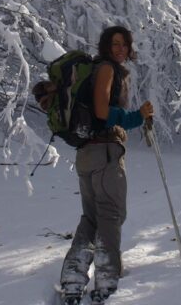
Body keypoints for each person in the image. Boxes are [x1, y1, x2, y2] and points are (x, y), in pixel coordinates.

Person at [58, 26, 154, 305]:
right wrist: (137, 115)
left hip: (87, 155)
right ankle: (107, 282)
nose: (121, 49)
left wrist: (135, 117)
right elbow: (102, 113)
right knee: (111, 215)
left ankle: (73, 278)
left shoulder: (97, 71)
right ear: (105, 46)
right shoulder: (107, 70)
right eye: (115, 44)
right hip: (105, 154)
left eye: (124, 44)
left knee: (92, 218)